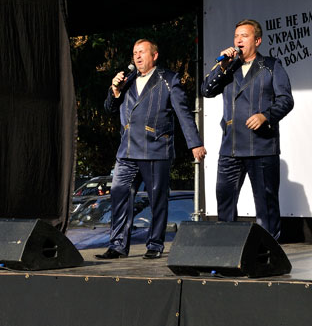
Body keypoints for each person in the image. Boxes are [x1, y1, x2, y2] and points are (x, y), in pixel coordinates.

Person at [97, 39, 206, 260]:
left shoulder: (169, 79)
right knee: (119, 194)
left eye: (142, 52)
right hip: (127, 150)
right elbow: (110, 108)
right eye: (134, 53)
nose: (137, 56)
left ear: (154, 56)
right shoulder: (127, 81)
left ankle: (155, 244)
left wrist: (194, 143)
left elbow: (183, 113)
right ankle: (117, 245)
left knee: (157, 199)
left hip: (155, 148)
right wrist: (114, 90)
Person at [202, 19, 294, 240]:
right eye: (236, 36)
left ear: (257, 40)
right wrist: (222, 67)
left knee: (266, 205)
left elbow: (286, 100)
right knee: (225, 201)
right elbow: (206, 90)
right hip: (231, 147)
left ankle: (268, 250)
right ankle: (226, 249)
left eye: (244, 36)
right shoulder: (228, 67)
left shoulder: (271, 66)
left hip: (261, 145)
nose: (238, 40)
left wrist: (266, 115)